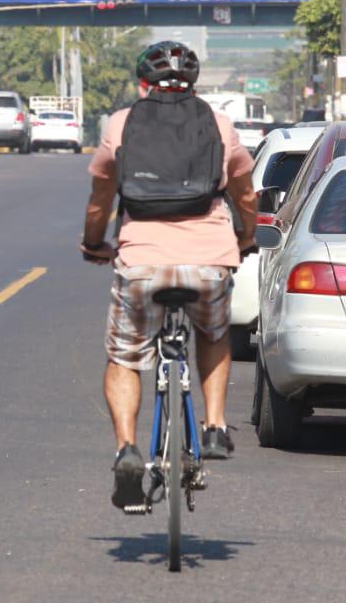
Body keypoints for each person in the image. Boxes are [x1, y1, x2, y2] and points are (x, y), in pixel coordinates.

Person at [80, 41, 257, 511]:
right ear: (194, 83)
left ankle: (127, 448)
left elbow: (100, 198)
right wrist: (245, 238)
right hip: (209, 260)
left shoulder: (122, 123)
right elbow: (245, 193)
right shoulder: (220, 124)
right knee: (214, 332)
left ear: (145, 83)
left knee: (124, 356)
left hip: (141, 261)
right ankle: (215, 426)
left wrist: (94, 242)